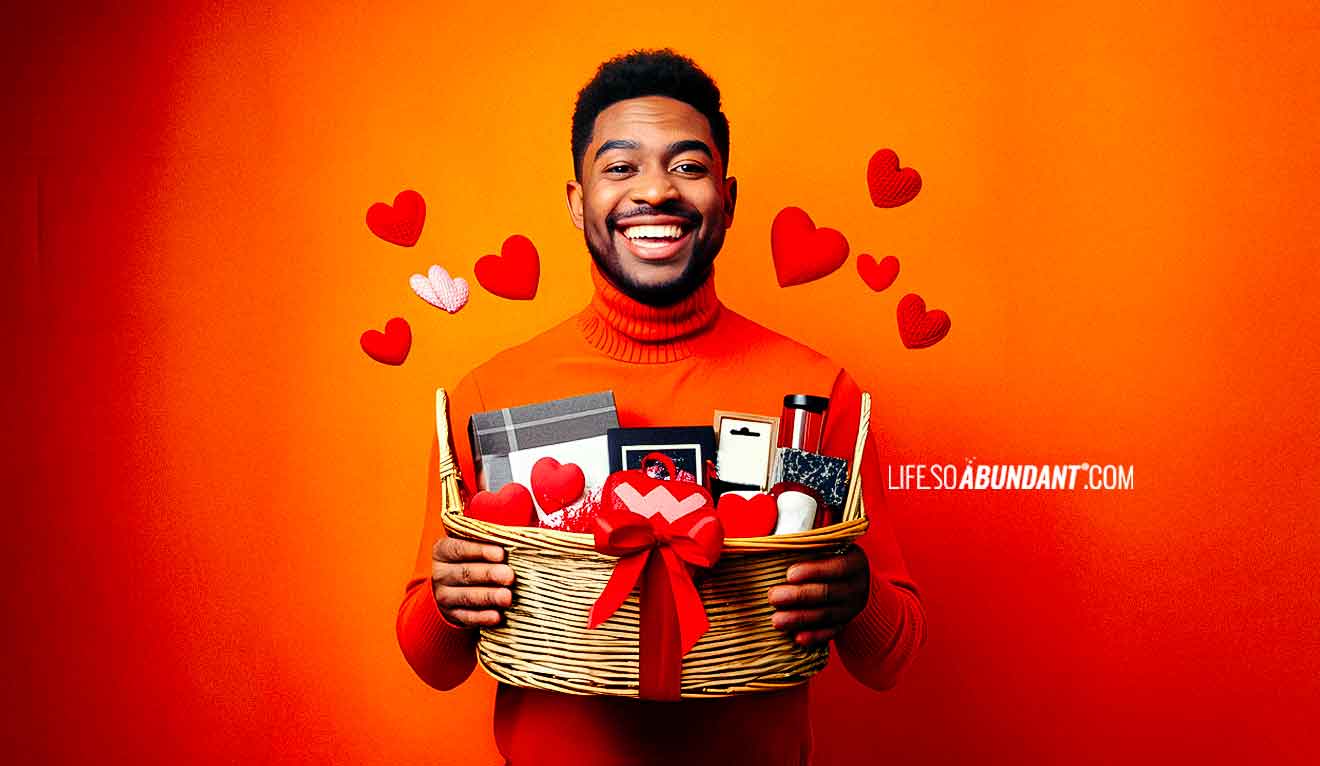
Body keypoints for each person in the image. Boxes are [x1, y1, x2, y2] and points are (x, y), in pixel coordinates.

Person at [396, 48, 926, 765]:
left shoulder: (815, 391)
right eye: (620, 167)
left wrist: (856, 594)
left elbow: (890, 660)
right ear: (578, 202)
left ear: (728, 199)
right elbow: (435, 662)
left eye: (688, 166)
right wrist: (447, 600)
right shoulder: (491, 394)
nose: (656, 192)